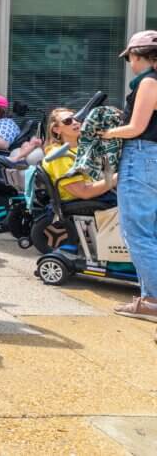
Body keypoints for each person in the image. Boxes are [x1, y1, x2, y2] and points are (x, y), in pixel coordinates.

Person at [100, 30, 157, 327]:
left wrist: (106, 132)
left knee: (137, 233)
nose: (130, 65)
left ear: (138, 56)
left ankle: (154, 299)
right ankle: (148, 300)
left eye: (130, 59)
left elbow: (136, 127)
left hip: (142, 155)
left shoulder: (149, 81)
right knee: (151, 232)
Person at [41, 107, 117, 203]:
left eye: (77, 119)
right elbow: (84, 192)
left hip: (100, 198)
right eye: (67, 121)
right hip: (85, 205)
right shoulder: (60, 156)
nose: (75, 122)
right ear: (56, 130)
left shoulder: (80, 148)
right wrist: (117, 178)